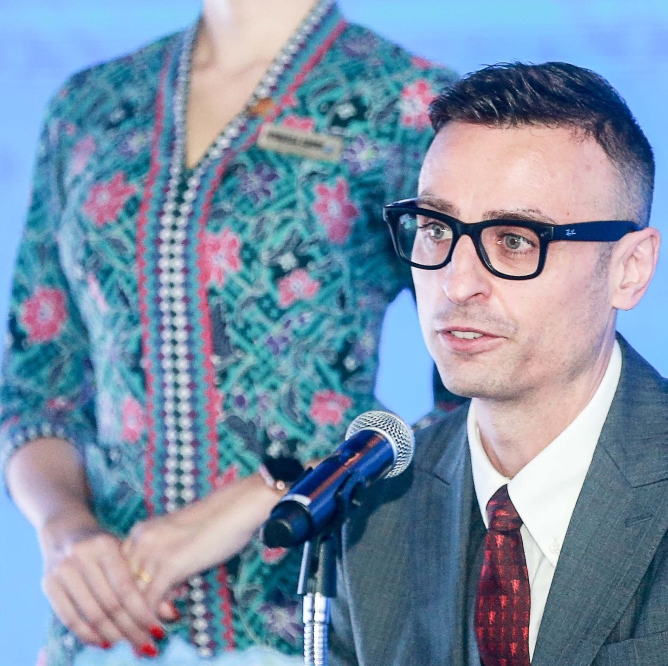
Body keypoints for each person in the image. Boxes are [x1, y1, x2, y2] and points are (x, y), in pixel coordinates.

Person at [326, 62, 668, 665]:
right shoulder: (377, 508)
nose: (458, 283)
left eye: (514, 240)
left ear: (630, 269)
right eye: (436, 229)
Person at [0, 0, 455, 663]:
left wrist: (271, 492)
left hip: (308, 614)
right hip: (112, 626)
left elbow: (482, 398)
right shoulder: (90, 105)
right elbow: (36, 387)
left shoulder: (409, 105)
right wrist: (67, 532)